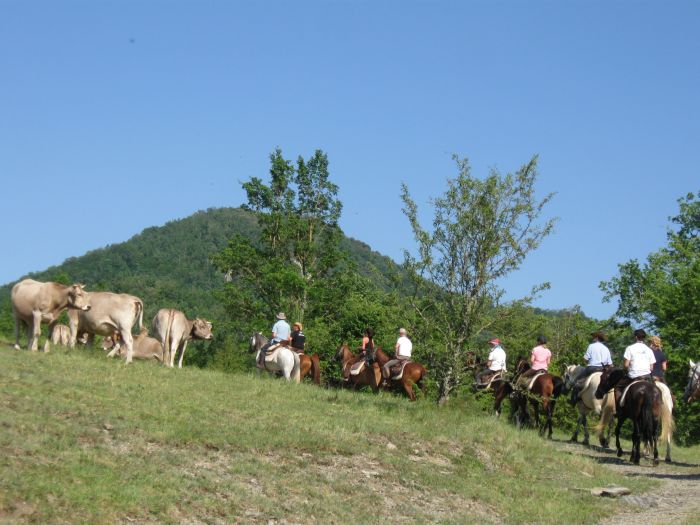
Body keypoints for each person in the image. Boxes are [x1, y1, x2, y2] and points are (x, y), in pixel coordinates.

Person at [569, 331, 613, 405]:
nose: (593, 338)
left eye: (594, 337)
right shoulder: (606, 349)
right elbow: (610, 364)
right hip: (602, 370)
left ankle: (573, 401)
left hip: (591, 368)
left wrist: (587, 362)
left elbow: (585, 359)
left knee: (576, 382)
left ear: (597, 338)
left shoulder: (591, 346)